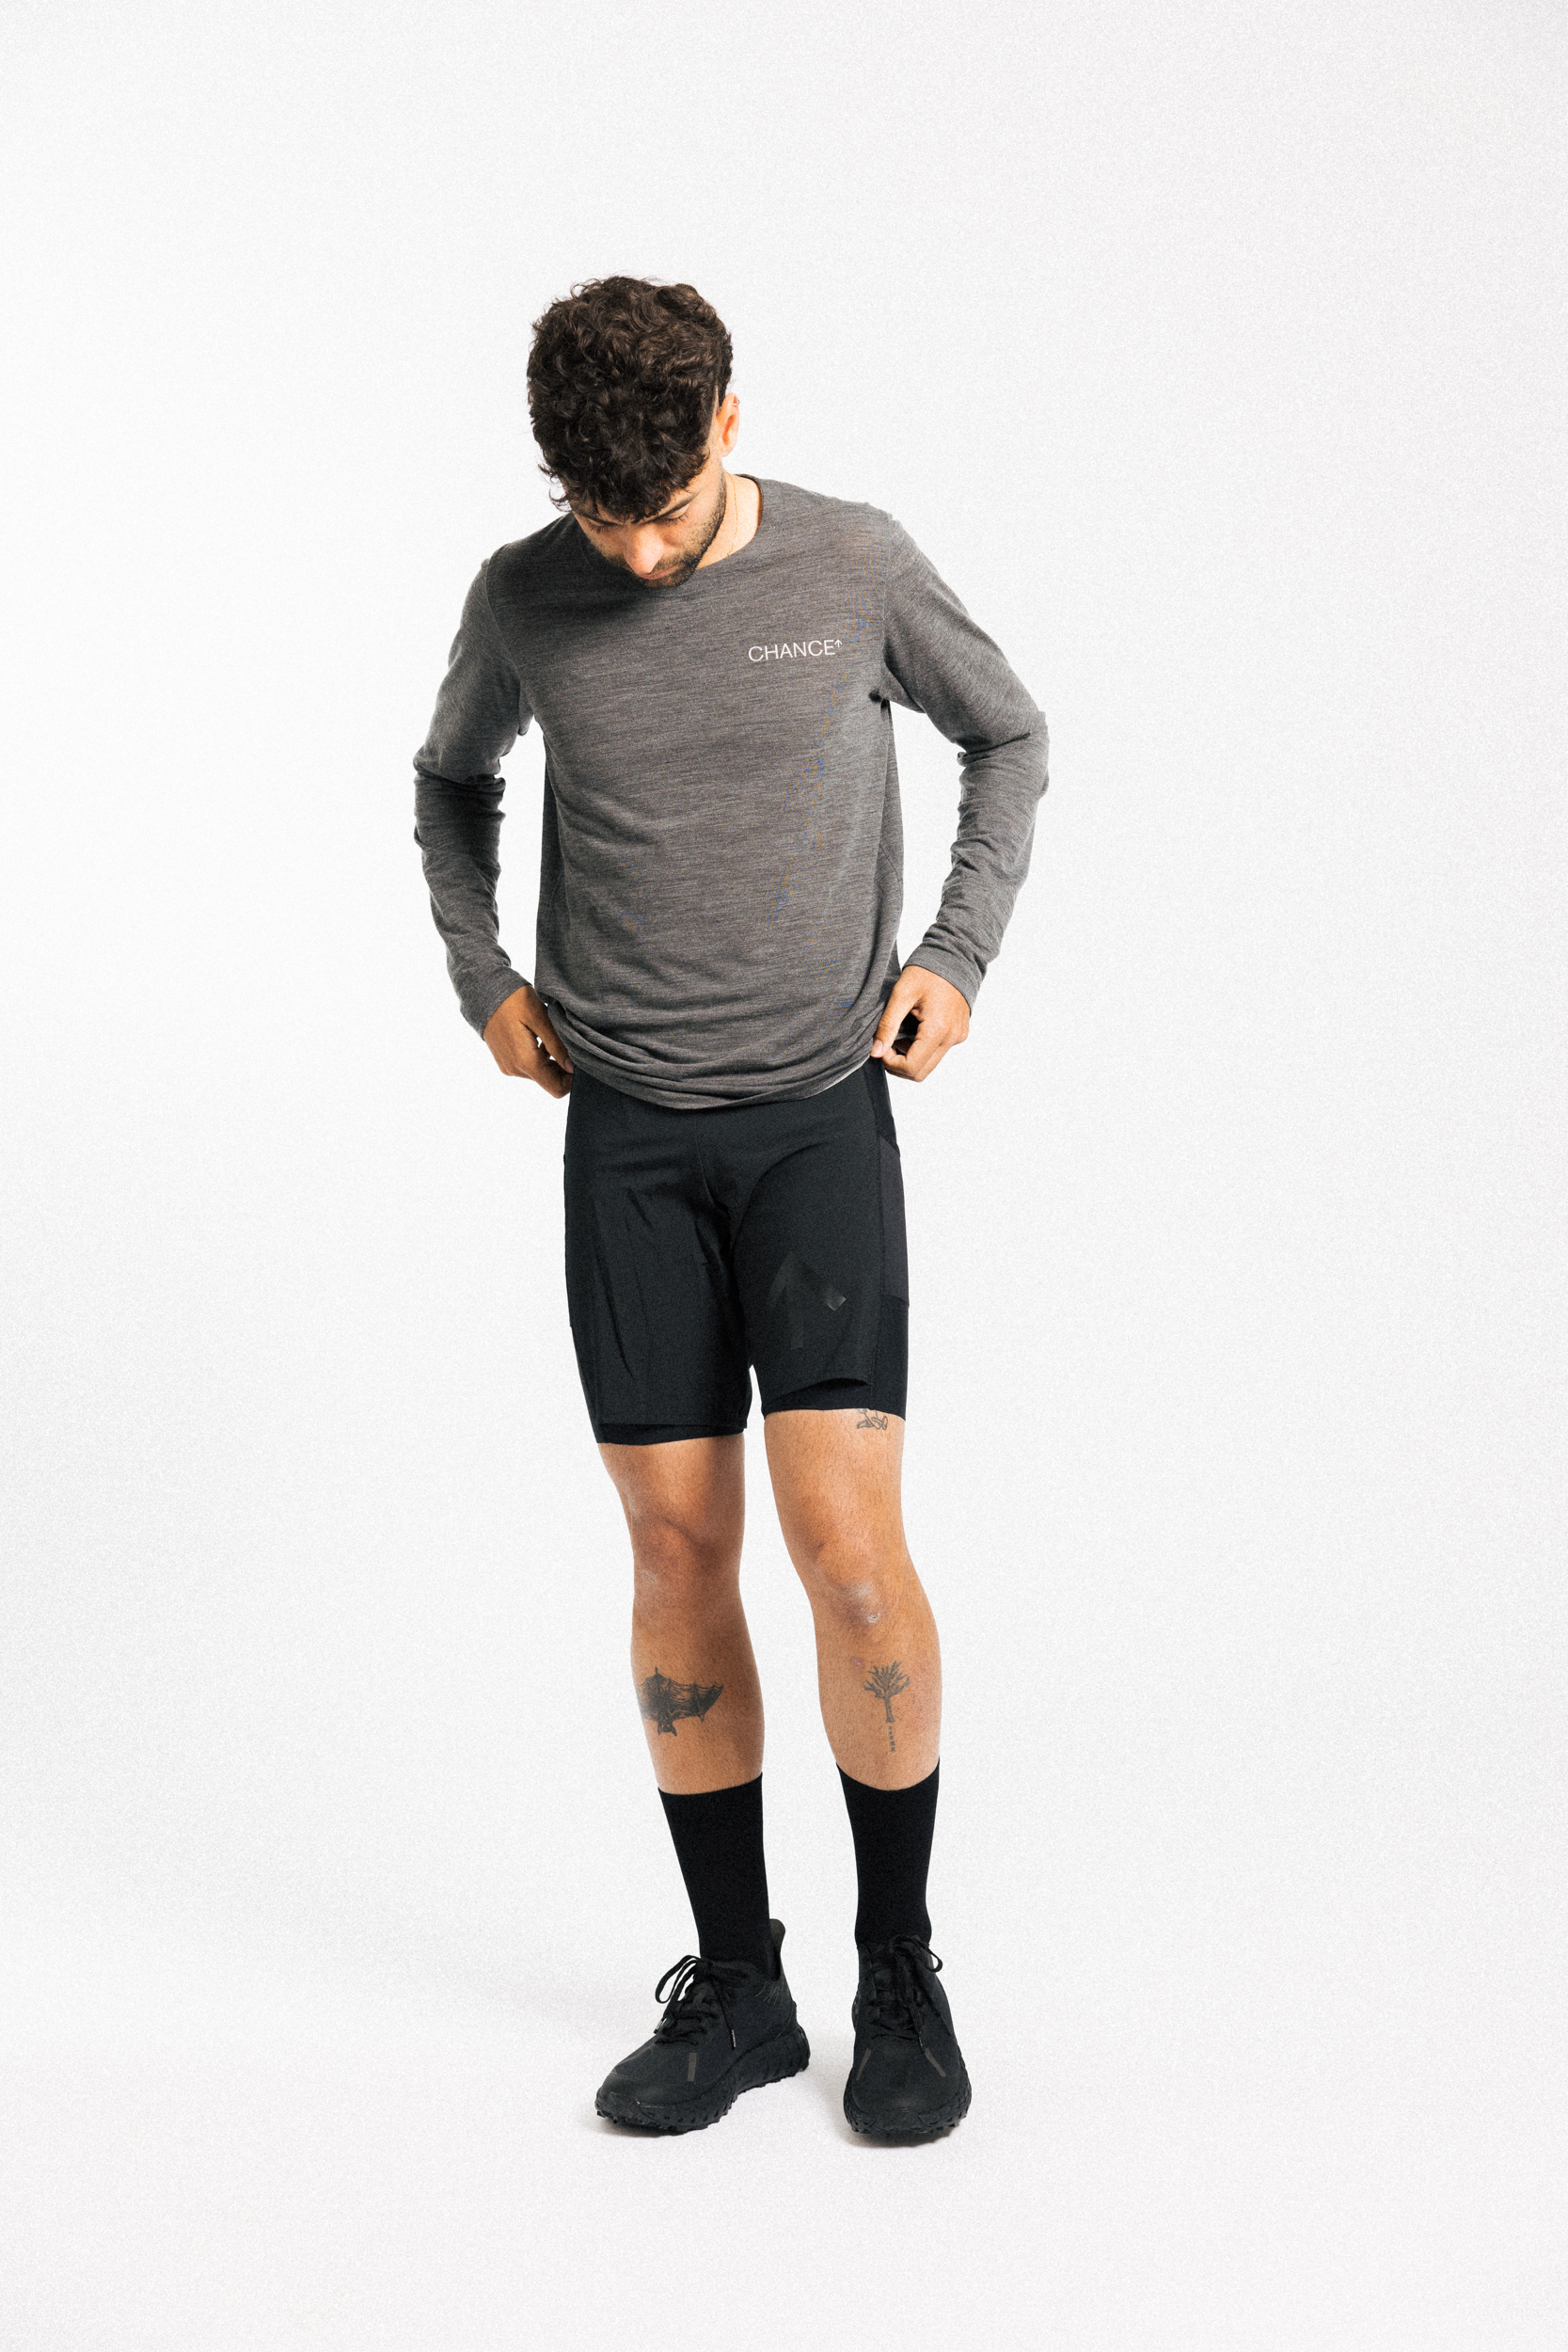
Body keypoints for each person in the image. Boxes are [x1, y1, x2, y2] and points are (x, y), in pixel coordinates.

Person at [413, 277, 1047, 2139]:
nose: (636, 550)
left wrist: (957, 953)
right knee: (677, 1550)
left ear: (731, 425)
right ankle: (743, 1984)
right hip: (625, 1137)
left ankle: (899, 1967)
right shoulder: (524, 596)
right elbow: (449, 781)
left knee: (847, 1549)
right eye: (601, 515)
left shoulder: (855, 563)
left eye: (668, 508)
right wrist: (482, 977)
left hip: (813, 1127)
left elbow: (1008, 734)